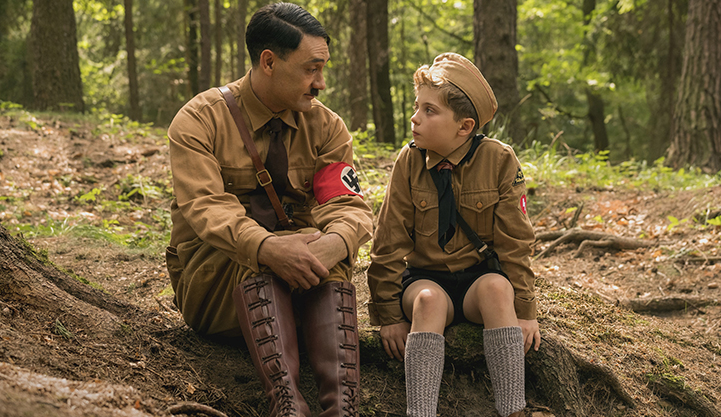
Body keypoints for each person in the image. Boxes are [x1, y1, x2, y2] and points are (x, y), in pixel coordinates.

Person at [165, 3, 373, 416]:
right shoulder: (199, 121)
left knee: (324, 248)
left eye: (323, 68)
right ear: (269, 61)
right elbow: (208, 209)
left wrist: (335, 243)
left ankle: (342, 407)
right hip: (218, 286)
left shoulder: (327, 127)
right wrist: (268, 249)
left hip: (307, 285)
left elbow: (349, 207)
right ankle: (287, 405)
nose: (321, 83)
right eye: (311, 69)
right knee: (259, 254)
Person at [366, 53, 541, 417]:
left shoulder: (499, 160)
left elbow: (515, 241)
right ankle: (421, 412)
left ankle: (513, 409)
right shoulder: (409, 162)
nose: (415, 117)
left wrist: (525, 312)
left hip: (479, 280)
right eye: (417, 107)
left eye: (430, 111)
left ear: (464, 126)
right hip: (426, 280)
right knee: (428, 302)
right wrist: (388, 314)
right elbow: (387, 241)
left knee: (497, 289)